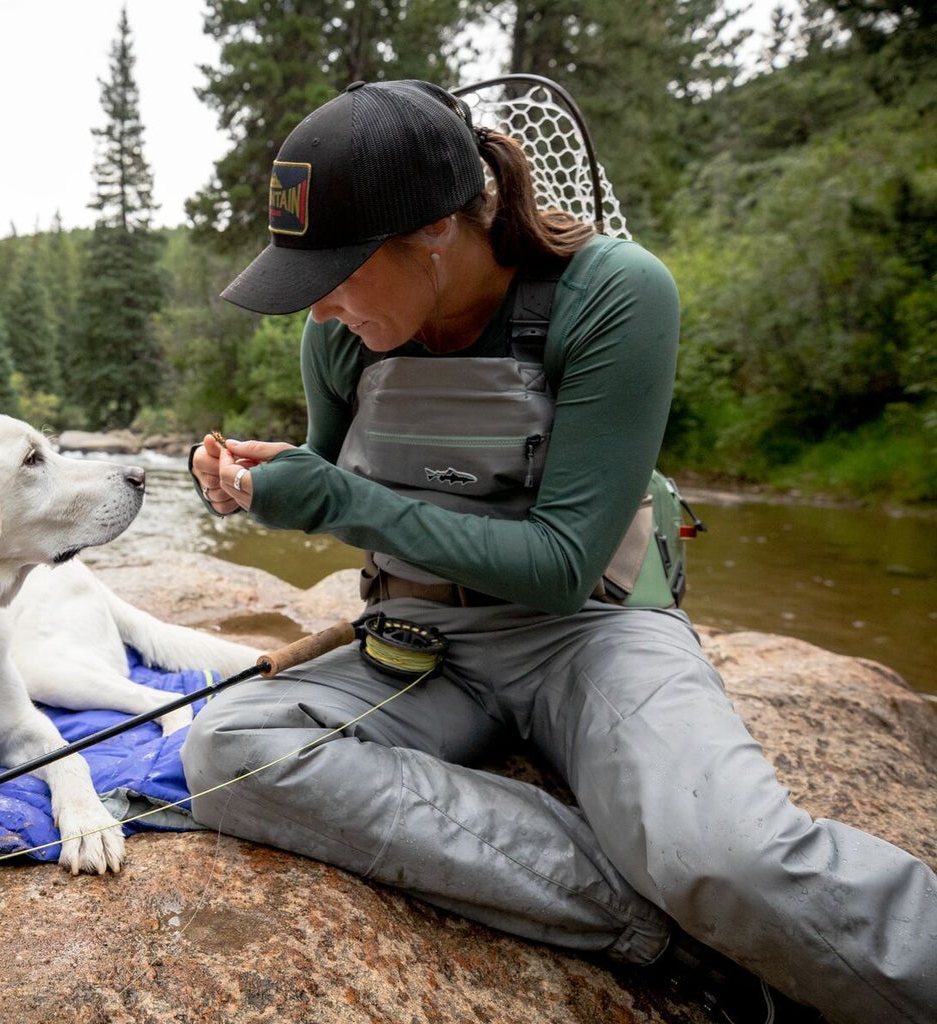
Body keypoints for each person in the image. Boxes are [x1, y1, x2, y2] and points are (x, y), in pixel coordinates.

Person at [180, 79, 936, 1024]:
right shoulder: (339, 341)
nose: (320, 310)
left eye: (335, 272)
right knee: (229, 749)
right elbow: (340, 488)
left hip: (588, 633)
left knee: (727, 858)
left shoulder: (618, 293)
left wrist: (333, 498)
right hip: (417, 644)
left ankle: (754, 903)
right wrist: (268, 490)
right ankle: (660, 924)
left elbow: (561, 564)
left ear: (435, 232)